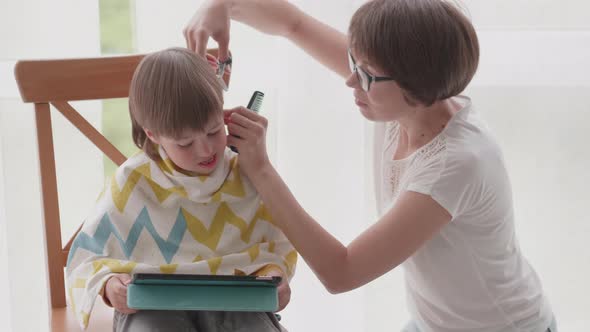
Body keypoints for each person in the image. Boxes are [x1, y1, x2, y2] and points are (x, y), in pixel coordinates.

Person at [184, 0, 558, 331]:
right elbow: (292, 24)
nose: (350, 80)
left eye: (364, 75)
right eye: (353, 63)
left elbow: (341, 271)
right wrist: (223, 5)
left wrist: (261, 168)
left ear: (415, 84)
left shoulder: (456, 163)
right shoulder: (404, 89)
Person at [65, 47, 296, 331]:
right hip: (152, 308)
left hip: (236, 302)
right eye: (185, 143)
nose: (205, 149)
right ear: (153, 134)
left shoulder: (247, 172)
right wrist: (111, 286)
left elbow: (276, 245)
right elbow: (87, 259)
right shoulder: (134, 182)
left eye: (214, 131)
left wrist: (275, 276)